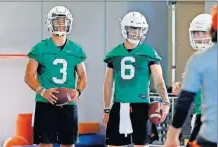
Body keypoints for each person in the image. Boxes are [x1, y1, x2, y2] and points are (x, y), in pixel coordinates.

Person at [103, 11, 170, 147]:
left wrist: (166, 101)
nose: (136, 32)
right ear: (125, 29)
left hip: (139, 105)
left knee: (139, 144)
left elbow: (158, 80)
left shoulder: (115, 53)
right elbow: (108, 83)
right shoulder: (117, 54)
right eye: (132, 28)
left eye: (139, 29)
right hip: (124, 103)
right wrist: (166, 102)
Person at [24, 6, 87, 147]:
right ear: (50, 23)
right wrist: (42, 91)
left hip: (68, 103)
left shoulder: (76, 50)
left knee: (68, 144)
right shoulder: (39, 48)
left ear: (68, 23)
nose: (60, 24)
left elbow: (83, 76)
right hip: (45, 102)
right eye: (57, 21)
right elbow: (28, 76)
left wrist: (78, 91)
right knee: (45, 144)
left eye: (63, 21)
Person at [165, 4, 217, 147]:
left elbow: (185, 101)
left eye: (203, 32)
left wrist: (172, 135)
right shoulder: (198, 60)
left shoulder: (198, 60)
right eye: (197, 33)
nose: (200, 37)